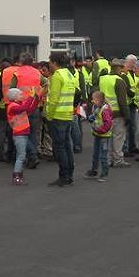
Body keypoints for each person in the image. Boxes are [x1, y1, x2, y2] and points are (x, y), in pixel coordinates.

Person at [45, 51, 79, 187]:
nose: (49, 65)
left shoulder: (57, 76)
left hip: (57, 116)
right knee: (67, 146)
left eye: (50, 62)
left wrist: (49, 115)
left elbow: (53, 99)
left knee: (59, 148)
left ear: (54, 62)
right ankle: (69, 174)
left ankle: (63, 175)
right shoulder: (69, 74)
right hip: (67, 114)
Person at [9, 53, 45, 169]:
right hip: (34, 105)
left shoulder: (17, 73)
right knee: (34, 133)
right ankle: (32, 157)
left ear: (21, 62)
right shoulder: (37, 72)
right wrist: (39, 95)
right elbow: (46, 84)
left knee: (22, 134)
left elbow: (12, 90)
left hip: (21, 108)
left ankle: (28, 157)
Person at [99, 59, 131, 169]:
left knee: (107, 137)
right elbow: (122, 101)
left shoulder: (102, 79)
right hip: (117, 113)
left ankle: (107, 160)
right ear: (118, 68)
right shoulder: (119, 81)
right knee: (118, 137)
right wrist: (127, 116)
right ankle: (118, 159)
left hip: (105, 112)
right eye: (121, 68)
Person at [6, 87, 41, 186]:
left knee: (21, 155)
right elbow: (25, 108)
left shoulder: (17, 105)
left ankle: (18, 175)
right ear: (15, 97)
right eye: (20, 95)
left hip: (23, 133)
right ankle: (17, 176)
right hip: (19, 134)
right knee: (21, 156)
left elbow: (30, 108)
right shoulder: (13, 107)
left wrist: (36, 98)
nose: (22, 96)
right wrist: (31, 96)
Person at [85, 90, 113, 181]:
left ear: (98, 100)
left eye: (94, 99)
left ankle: (104, 173)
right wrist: (91, 119)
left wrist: (101, 130)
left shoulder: (105, 110)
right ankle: (94, 170)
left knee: (103, 155)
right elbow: (96, 117)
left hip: (104, 135)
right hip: (97, 134)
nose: (92, 101)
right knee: (95, 153)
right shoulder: (97, 108)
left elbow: (108, 124)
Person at [123, 54, 139, 155]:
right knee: (127, 127)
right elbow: (127, 89)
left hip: (133, 103)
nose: (135, 64)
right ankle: (126, 148)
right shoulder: (125, 74)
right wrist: (133, 94)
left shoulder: (134, 73)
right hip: (128, 103)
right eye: (133, 62)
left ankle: (132, 146)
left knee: (133, 127)